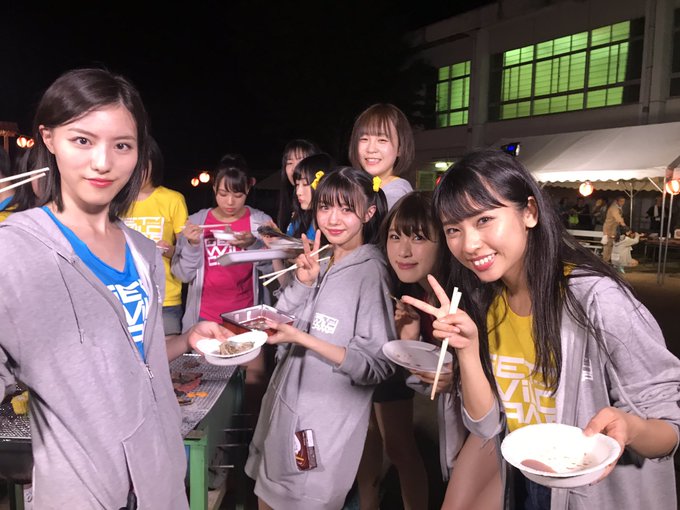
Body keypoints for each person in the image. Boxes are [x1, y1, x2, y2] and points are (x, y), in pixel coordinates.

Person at [0, 68, 230, 509]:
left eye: (122, 145)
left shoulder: (142, 251)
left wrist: (185, 339)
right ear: (49, 138)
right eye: (82, 140)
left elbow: (132, 358)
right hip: (80, 492)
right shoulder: (17, 252)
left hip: (160, 483)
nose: (103, 162)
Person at [403, 149, 680, 510]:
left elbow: (669, 426)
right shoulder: (485, 300)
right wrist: (467, 350)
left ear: (530, 212)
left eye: (484, 219)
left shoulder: (597, 299)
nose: (468, 244)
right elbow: (486, 427)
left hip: (596, 495)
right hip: (524, 483)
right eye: (453, 229)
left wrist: (633, 428)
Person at [245, 167, 396, 510]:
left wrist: (304, 338)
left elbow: (376, 366)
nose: (333, 219)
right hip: (283, 416)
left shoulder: (371, 273)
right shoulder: (322, 259)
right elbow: (282, 323)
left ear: (368, 213)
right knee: (265, 498)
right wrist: (303, 283)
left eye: (347, 209)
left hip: (321, 433)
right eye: (326, 207)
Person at [380, 191, 502, 510]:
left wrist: (458, 379)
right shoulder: (417, 296)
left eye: (419, 237)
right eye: (395, 236)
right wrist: (410, 340)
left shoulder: (472, 295)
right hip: (463, 424)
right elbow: (431, 379)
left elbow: (503, 371)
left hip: (499, 426)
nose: (403, 250)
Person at [123, 136, 189, 335]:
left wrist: (169, 250)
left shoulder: (173, 199)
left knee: (169, 350)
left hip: (165, 296)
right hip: (127, 295)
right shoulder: (117, 200)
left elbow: (186, 252)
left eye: (143, 165)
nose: (138, 171)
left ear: (154, 164)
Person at [349, 103, 414, 210]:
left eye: (382, 140)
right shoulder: (358, 187)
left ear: (400, 148)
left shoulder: (397, 194)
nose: (371, 149)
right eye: (364, 139)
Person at [275, 139, 320, 233]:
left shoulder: (323, 211)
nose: (294, 168)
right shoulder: (293, 203)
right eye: (289, 163)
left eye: (301, 161)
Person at [602, 196, 628, 263]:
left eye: (623, 201)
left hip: (613, 228)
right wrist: (624, 226)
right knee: (607, 245)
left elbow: (620, 218)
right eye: (621, 201)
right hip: (608, 228)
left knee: (611, 245)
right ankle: (605, 260)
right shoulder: (614, 208)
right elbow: (618, 217)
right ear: (617, 201)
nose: (623, 203)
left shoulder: (619, 208)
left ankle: (608, 260)